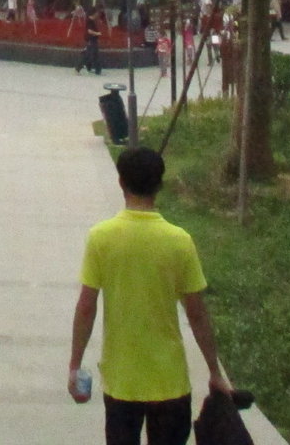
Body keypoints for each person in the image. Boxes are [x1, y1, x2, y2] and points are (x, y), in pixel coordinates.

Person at [69, 145, 231, 444]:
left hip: (122, 382)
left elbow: (86, 307)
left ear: (121, 182)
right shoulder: (179, 241)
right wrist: (214, 371)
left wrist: (75, 366)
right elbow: (197, 313)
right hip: (170, 382)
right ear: (160, 185)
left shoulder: (101, 238)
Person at [80, 8, 104, 75]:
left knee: (93, 55)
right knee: (90, 55)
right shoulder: (90, 21)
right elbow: (89, 31)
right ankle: (79, 68)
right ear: (93, 13)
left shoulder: (91, 20)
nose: (97, 14)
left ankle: (96, 70)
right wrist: (97, 33)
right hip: (92, 40)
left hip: (93, 40)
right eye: (96, 13)